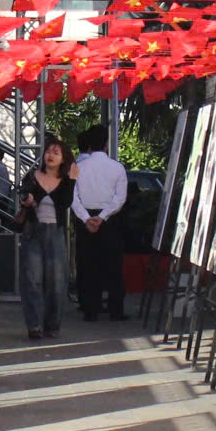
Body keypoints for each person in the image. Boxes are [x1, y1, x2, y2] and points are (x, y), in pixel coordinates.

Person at [70, 126, 132, 323]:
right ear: (106, 144)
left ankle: (90, 309)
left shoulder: (77, 168)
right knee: (113, 264)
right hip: (110, 220)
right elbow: (120, 198)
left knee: (88, 264)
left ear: (89, 145)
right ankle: (116, 309)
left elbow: (73, 197)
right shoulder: (117, 168)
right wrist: (103, 217)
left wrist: (86, 218)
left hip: (86, 219)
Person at [14, 138, 74, 339]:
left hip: (55, 233)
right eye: (48, 151)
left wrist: (72, 180)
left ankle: (52, 325)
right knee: (32, 279)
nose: (50, 155)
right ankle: (34, 325)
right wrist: (28, 200)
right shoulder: (33, 175)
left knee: (56, 282)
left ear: (63, 159)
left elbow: (65, 203)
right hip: (33, 232)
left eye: (56, 152)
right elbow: (23, 193)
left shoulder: (66, 181)